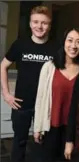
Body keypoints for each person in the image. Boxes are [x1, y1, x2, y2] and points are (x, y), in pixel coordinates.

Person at [0, 6, 59, 162]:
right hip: (22, 104)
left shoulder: (57, 48)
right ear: (30, 23)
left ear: (50, 25)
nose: (39, 26)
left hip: (46, 105)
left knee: (43, 143)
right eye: (36, 22)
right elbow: (3, 65)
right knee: (19, 141)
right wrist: (6, 94)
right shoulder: (20, 44)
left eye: (44, 23)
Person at [33, 27, 79, 162]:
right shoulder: (49, 67)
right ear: (63, 42)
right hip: (51, 125)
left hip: (74, 129)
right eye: (70, 40)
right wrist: (37, 127)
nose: (73, 46)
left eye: (78, 42)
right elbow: (40, 98)